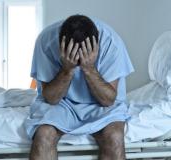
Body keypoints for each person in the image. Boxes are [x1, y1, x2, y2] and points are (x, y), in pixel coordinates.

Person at [25, 14, 134, 160]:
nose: (77, 58)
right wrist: (67, 69)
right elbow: (51, 98)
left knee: (114, 137)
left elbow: (108, 100)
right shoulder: (45, 40)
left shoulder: (111, 43)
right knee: (43, 135)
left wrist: (89, 68)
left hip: (101, 104)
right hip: (62, 104)